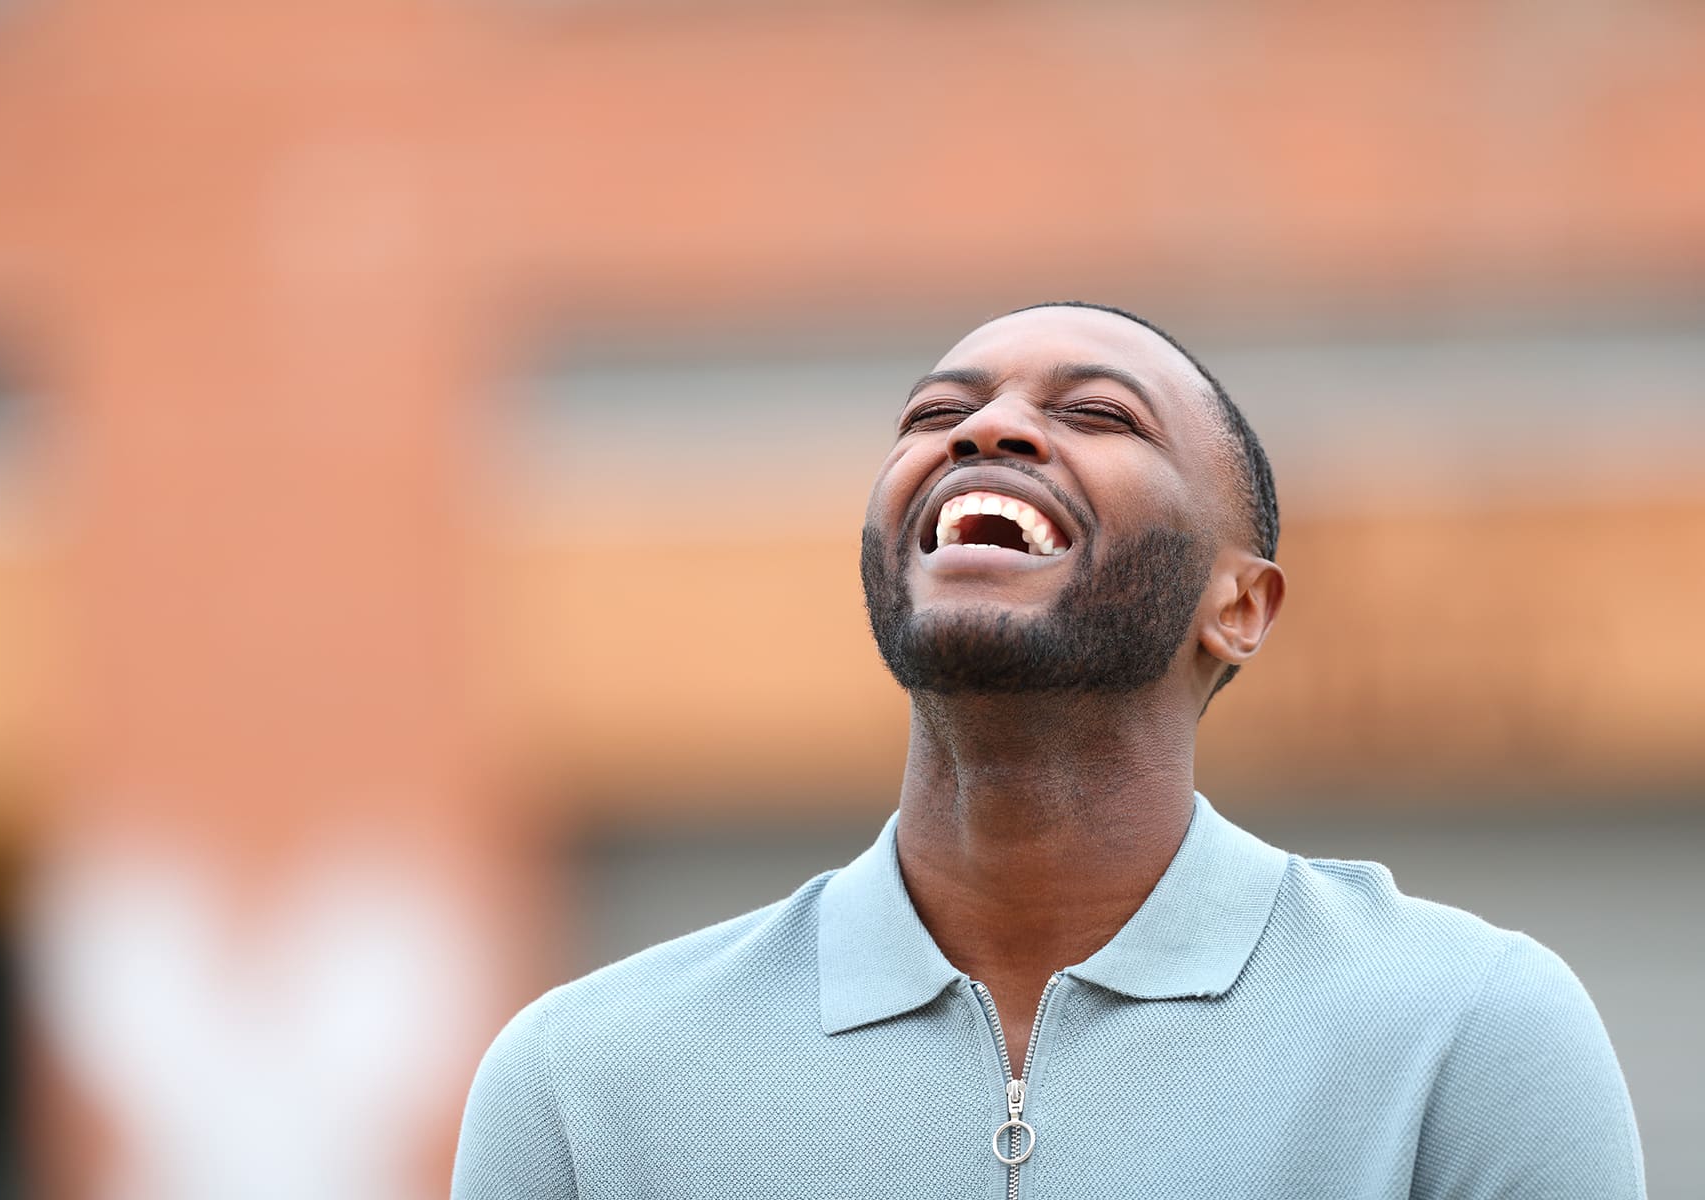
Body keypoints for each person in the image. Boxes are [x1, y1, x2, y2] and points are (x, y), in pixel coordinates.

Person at [452, 303, 1644, 1198]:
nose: (989, 429)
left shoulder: (1464, 1031)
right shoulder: (583, 1084)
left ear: (1241, 605)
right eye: (934, 415)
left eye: (1098, 414)